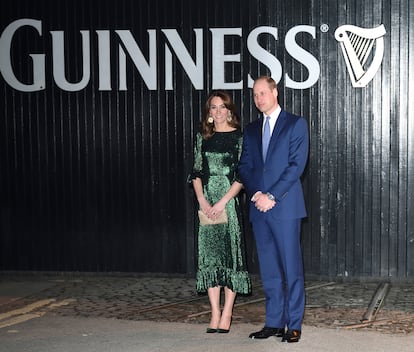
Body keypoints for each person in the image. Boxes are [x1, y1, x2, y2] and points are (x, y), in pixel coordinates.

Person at [238, 76, 309, 343]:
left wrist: (272, 195)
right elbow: (244, 166)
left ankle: (293, 325)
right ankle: (273, 322)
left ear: (275, 93)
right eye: (255, 95)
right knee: (268, 269)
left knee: (291, 268)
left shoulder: (295, 124)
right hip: (259, 208)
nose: (258, 98)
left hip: (284, 207)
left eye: (262, 93)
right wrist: (257, 193)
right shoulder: (250, 129)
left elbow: (296, 166)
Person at [189, 90, 251, 334]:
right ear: (209, 113)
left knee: (230, 257)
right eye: (213, 107)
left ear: (229, 111)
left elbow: (241, 176)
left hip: (228, 203)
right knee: (210, 257)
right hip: (206, 204)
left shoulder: (239, 138)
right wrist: (203, 200)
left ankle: (227, 312)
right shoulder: (202, 137)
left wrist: (223, 202)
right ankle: (214, 312)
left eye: (222, 107)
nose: (218, 111)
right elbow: (195, 172)